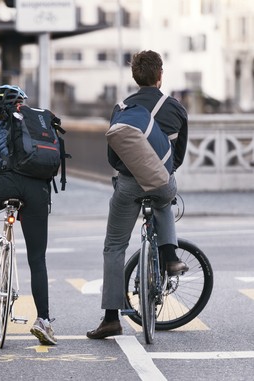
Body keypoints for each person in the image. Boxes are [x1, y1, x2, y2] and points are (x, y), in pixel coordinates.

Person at [86, 50, 189, 340]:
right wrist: (159, 172)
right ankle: (169, 256)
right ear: (160, 75)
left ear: (134, 76)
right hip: (161, 182)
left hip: (129, 183)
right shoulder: (175, 108)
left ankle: (110, 318)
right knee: (164, 200)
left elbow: (112, 155)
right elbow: (178, 155)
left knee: (114, 246)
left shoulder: (123, 107)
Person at [0, 85, 58, 345]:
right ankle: (44, 321)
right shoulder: (37, 124)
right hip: (38, 189)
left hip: (7, 184)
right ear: (21, 104)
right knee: (37, 258)